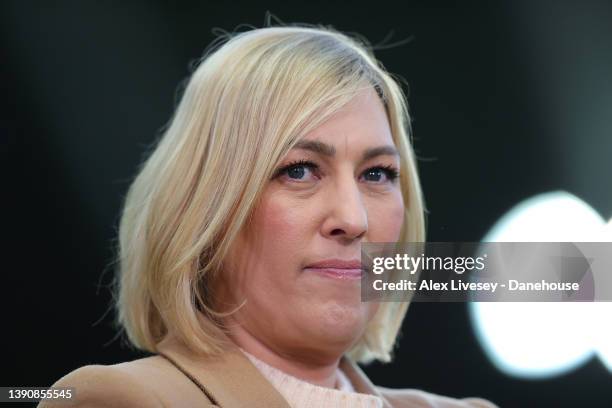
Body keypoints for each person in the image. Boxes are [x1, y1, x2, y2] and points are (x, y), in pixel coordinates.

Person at [40, 24, 497, 408]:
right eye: (299, 170)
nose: (354, 218)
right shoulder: (122, 399)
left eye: (377, 173)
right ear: (205, 210)